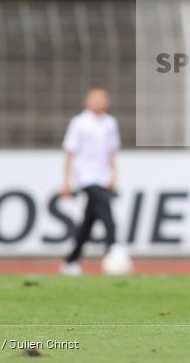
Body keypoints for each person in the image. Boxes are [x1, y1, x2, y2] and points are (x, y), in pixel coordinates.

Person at [59, 85, 121, 276]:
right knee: (106, 208)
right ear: (87, 101)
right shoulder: (79, 122)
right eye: (96, 98)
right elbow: (70, 154)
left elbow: (112, 153)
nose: (100, 102)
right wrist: (66, 182)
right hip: (85, 177)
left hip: (103, 177)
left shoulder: (110, 123)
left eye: (103, 98)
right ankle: (112, 248)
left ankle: (71, 260)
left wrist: (113, 176)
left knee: (89, 221)